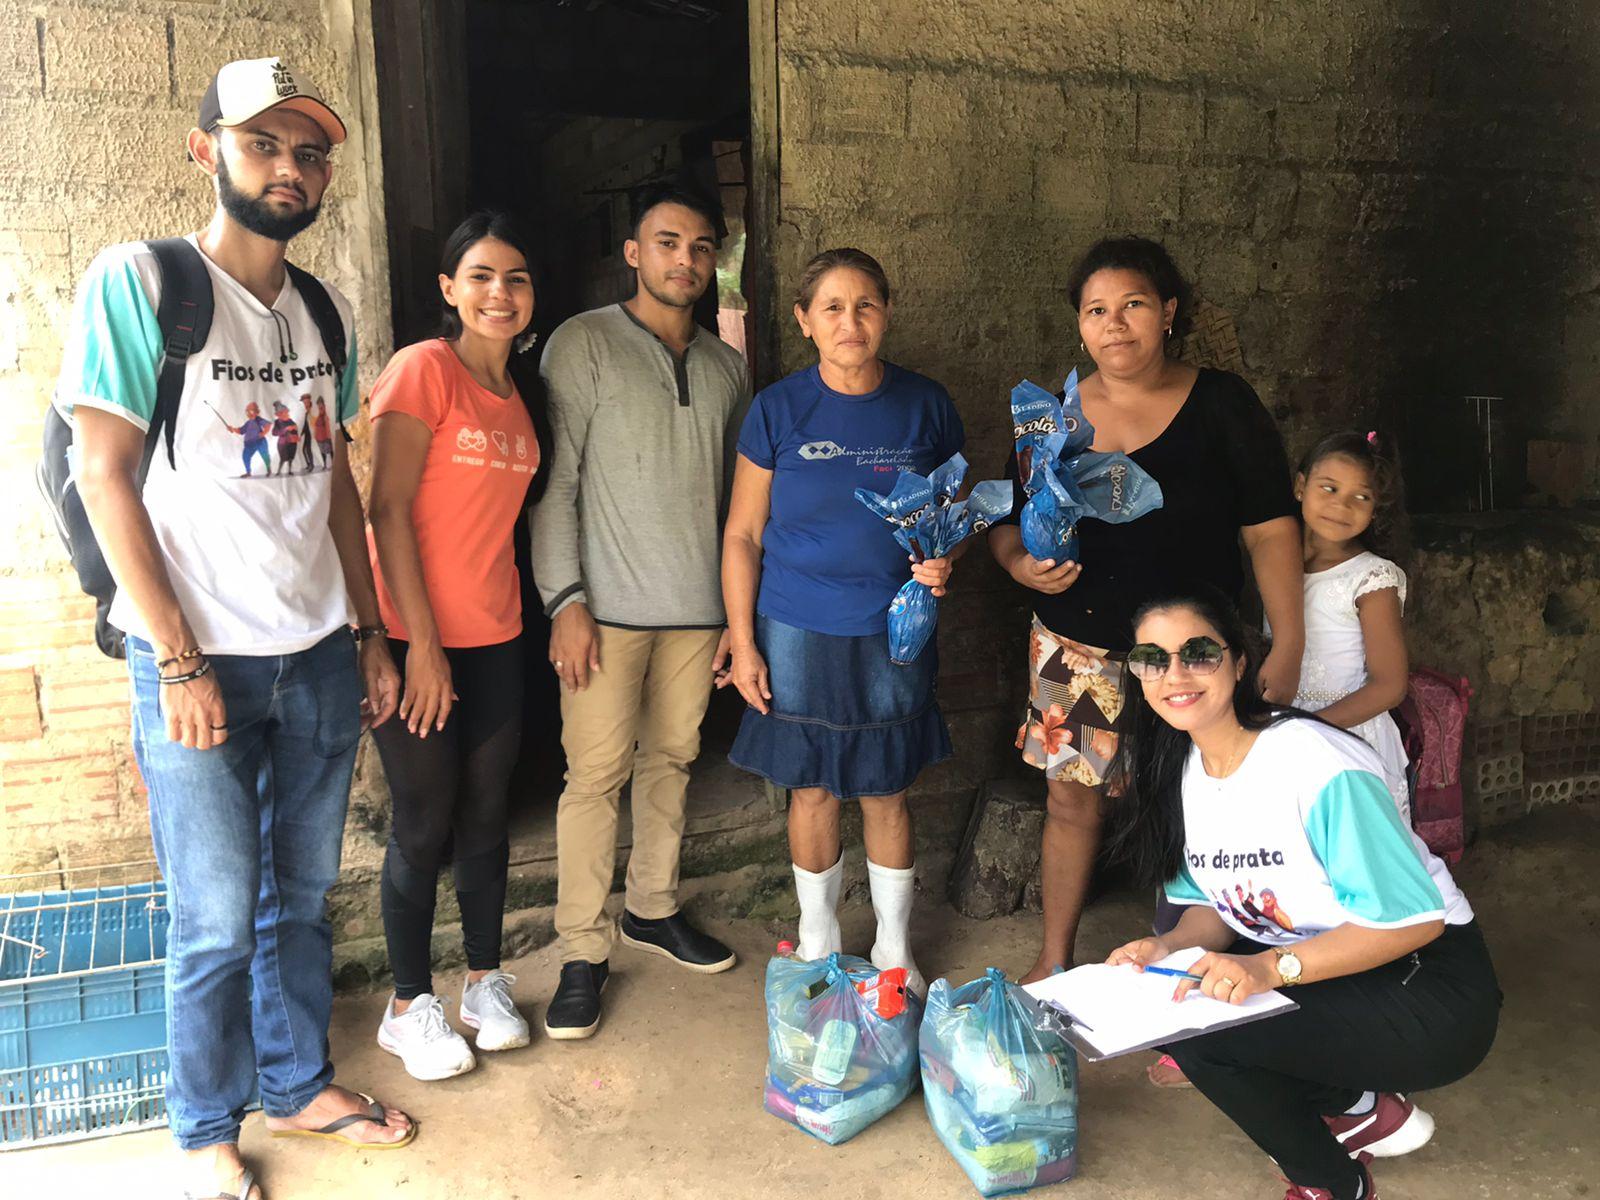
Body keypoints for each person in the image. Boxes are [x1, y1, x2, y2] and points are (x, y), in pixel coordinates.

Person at [59, 57, 413, 1200]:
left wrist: (368, 632)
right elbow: (103, 474)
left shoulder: (322, 309)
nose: (292, 168)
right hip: (197, 663)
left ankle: (298, 1081)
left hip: (312, 655)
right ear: (207, 150)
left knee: (299, 900)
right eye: (265, 142)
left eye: (311, 151)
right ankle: (206, 1126)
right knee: (214, 919)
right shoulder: (142, 283)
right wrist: (175, 659)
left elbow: (336, 491)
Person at [1103, 590, 1498, 1200]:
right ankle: (1358, 1108)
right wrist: (1164, 946)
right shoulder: (1176, 766)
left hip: (1430, 986)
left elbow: (1415, 922)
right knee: (1169, 1001)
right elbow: (1210, 907)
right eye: (1153, 658)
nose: (1174, 674)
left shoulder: (1314, 762)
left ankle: (1333, 1184)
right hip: (1330, 970)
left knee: (1205, 1036)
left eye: (1198, 653)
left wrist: (1269, 966)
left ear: (1239, 663)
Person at [988, 236, 1305, 990]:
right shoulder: (1054, 417)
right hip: (1079, 646)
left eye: (1132, 305)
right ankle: (1055, 954)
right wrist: (1017, 563)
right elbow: (1006, 517)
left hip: (1191, 655)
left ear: (1167, 312)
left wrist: (1286, 638)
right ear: (1080, 326)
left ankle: (1195, 968)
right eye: (1096, 310)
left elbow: (1269, 526)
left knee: (1199, 805)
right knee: (1071, 800)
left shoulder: (1222, 404)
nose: (1114, 324)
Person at [530, 183, 749, 1040]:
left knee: (674, 760)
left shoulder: (729, 365)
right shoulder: (581, 345)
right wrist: (566, 601)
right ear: (634, 251)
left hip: (697, 612)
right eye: (668, 243)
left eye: (700, 248)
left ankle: (651, 909)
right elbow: (557, 486)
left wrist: (738, 616)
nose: (685, 261)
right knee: (594, 776)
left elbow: (739, 504)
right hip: (606, 611)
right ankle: (582, 949)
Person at [722, 248, 964, 996]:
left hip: (896, 625)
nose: (849, 321)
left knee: (889, 786)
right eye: (831, 306)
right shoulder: (777, 409)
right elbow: (742, 534)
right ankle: (820, 937)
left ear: (887, 313)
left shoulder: (926, 404)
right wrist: (741, 637)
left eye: (865, 305)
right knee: (813, 787)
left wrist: (942, 559)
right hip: (795, 625)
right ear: (804, 321)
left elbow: (950, 514)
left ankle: (895, 946)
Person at [366, 212, 551, 1079]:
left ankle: (483, 982)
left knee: (486, 812)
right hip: (415, 638)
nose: (499, 293)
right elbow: (385, 509)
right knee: (423, 820)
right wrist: (420, 648)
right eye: (480, 276)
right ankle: (408, 1005)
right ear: (450, 289)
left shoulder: (522, 397)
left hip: (499, 634)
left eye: (515, 278)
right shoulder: (423, 371)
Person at [1280, 431, 1411, 823]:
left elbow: (1390, 684)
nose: (1342, 505)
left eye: (1362, 496)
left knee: (1355, 852)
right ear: (1301, 486)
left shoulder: (1371, 577)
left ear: (1375, 508)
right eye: (1330, 488)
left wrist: (1311, 729)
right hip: (1283, 731)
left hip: (1351, 737)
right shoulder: (1277, 569)